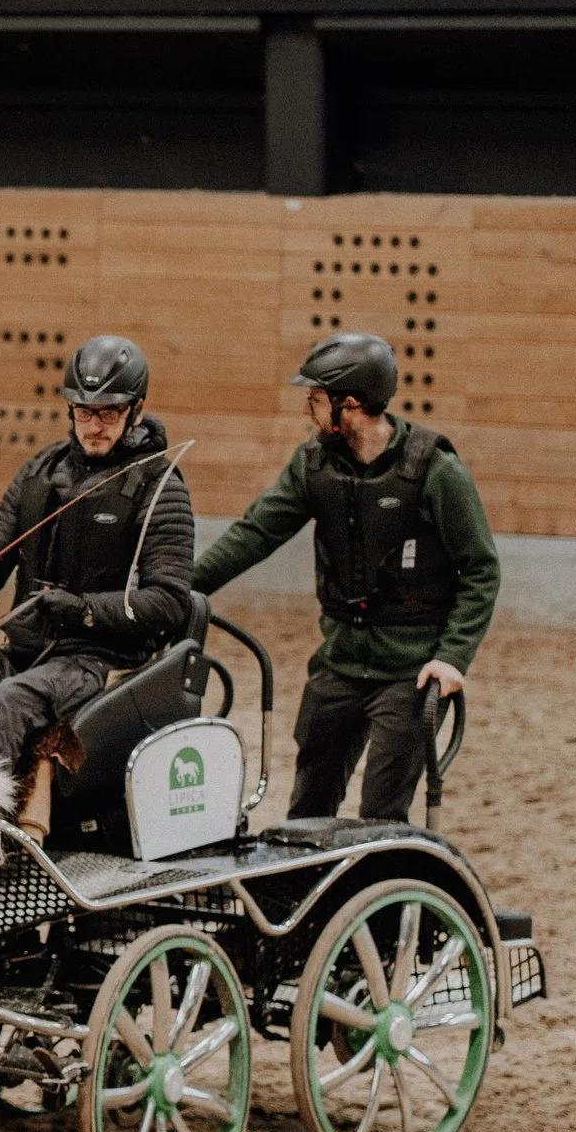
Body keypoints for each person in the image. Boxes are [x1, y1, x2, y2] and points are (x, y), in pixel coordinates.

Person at [192, 332, 500, 822]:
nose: (306, 412)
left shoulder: (437, 472)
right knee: (307, 809)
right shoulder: (311, 466)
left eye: (314, 400)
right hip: (338, 664)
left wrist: (452, 657)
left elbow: (481, 569)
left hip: (412, 673)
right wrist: (183, 588)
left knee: (381, 814)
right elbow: (255, 533)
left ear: (349, 406)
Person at [0, 334, 196, 778]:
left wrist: (85, 611)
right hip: (26, 654)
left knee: (8, 702)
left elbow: (170, 601)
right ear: (70, 409)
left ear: (135, 410)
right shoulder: (39, 472)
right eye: (84, 411)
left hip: (96, 663)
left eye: (109, 413)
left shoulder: (161, 488)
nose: (94, 424)